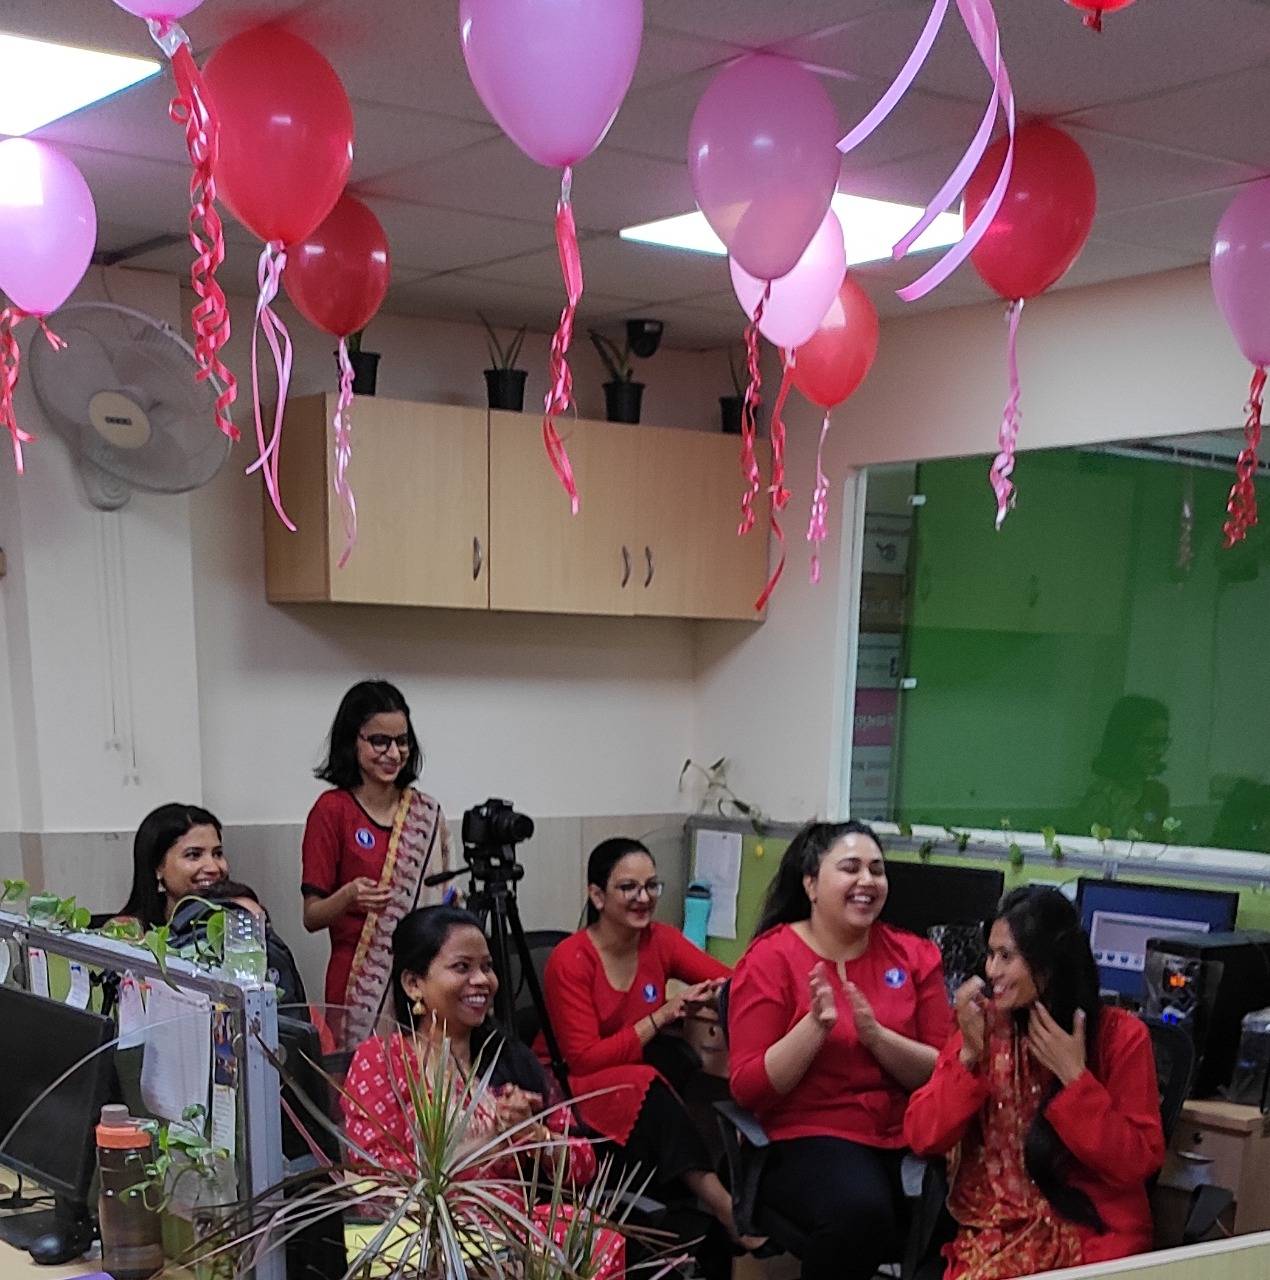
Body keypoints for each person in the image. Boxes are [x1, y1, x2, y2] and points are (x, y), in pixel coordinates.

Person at [341, 906, 621, 1280]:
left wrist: (533, 1138)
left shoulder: (510, 1059)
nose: (483, 980)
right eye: (462, 967)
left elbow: (585, 1164)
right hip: (423, 1241)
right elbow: (373, 1176)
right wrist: (485, 1143)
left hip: (517, 1236)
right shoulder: (384, 1061)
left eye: (487, 967)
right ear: (413, 984)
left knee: (595, 1237)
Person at [727, 820, 952, 1280]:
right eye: (850, 868)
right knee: (861, 1214)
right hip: (809, 1135)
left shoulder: (914, 956)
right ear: (810, 883)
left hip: (906, 1133)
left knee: (969, 1210)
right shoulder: (771, 958)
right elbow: (748, 1087)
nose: (867, 881)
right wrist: (813, 1028)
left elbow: (942, 1070)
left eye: (877, 869)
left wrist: (876, 1037)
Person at [904, 887, 1165, 1279]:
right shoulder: (982, 1025)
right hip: (995, 1230)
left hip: (1092, 1233)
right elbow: (923, 1136)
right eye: (990, 955)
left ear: (1048, 964)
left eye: (1006, 957)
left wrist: (1075, 1079)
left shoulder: (1120, 1037)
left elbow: (1135, 1166)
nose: (991, 972)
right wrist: (968, 1059)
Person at [542, 837, 748, 1258]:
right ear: (597, 896)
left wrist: (718, 995)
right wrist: (662, 1015)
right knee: (648, 1076)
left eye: (652, 886)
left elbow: (730, 979)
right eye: (628, 888)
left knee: (682, 1061)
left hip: (628, 1068)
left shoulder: (660, 940)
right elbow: (583, 1058)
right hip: (568, 1082)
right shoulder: (570, 959)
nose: (644, 898)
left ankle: (692, 1184)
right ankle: (723, 1206)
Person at [301, 680, 452, 1042]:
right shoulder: (332, 811)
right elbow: (311, 916)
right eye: (379, 741)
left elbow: (445, 900)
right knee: (364, 1085)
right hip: (358, 982)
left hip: (420, 978)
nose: (393, 753)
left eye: (402, 741)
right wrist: (350, 896)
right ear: (352, 741)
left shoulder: (426, 814)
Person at [118, 802, 229, 927]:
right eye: (193, 855)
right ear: (158, 866)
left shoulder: (238, 921)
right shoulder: (127, 932)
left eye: (217, 854)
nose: (213, 868)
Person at [1079, 695, 1171, 840]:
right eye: (1149, 742)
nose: (1159, 752)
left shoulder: (1157, 794)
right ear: (1125, 742)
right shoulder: (1101, 799)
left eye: (1163, 743)